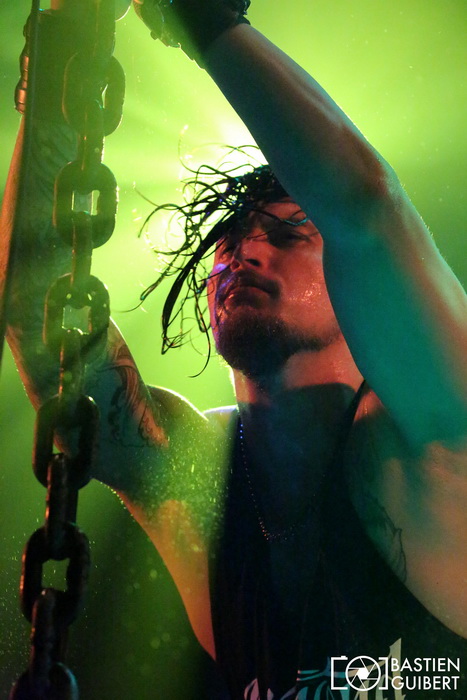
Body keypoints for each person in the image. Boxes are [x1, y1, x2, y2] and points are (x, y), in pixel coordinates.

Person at [1, 1, 466, 698]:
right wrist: (66, 47)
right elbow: (40, 313)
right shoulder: (198, 482)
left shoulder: (428, 434)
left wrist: (198, 16)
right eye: (233, 240)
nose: (245, 252)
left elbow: (365, 209)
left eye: (286, 234)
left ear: (354, 282)